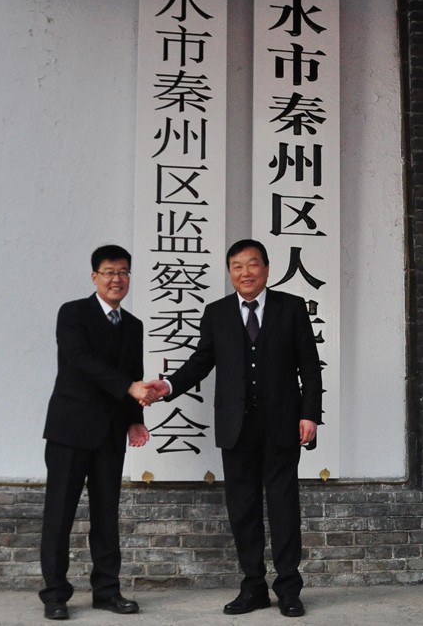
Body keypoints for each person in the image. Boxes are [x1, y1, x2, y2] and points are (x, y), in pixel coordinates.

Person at [146, 239, 322, 618]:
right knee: (243, 509)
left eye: (253, 264)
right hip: (236, 427)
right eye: (237, 266)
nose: (246, 272)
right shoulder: (217, 313)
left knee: (284, 508)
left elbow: (309, 364)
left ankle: (289, 589)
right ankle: (253, 587)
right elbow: (201, 362)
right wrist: (169, 386)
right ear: (230, 273)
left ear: (267, 269)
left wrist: (310, 414)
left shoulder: (291, 308)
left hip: (281, 425)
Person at [39, 245, 155, 621]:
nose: (116, 279)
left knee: (106, 515)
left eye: (123, 272)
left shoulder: (133, 325)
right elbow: (81, 360)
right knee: (60, 514)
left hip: (110, 433)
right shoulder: (73, 313)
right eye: (109, 272)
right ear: (94, 277)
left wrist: (135, 418)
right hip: (70, 430)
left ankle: (107, 591)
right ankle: (55, 594)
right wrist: (129, 388)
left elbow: (134, 371)